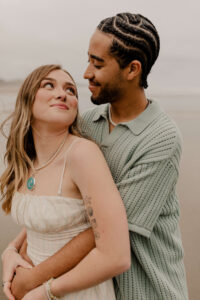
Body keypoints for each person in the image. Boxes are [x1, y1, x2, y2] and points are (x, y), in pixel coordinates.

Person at [1, 12, 189, 300]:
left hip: (144, 287)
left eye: (97, 64)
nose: (86, 72)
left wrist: (34, 284)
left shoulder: (159, 139)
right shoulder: (88, 122)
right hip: (86, 281)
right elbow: (61, 209)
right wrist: (13, 249)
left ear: (132, 69)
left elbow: (106, 230)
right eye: (88, 60)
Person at [0, 64, 131, 299]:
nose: (63, 93)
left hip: (76, 291)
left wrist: (44, 291)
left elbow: (116, 257)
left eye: (71, 90)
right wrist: (10, 251)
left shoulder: (81, 154)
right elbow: (43, 219)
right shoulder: (28, 160)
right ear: (27, 99)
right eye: (49, 85)